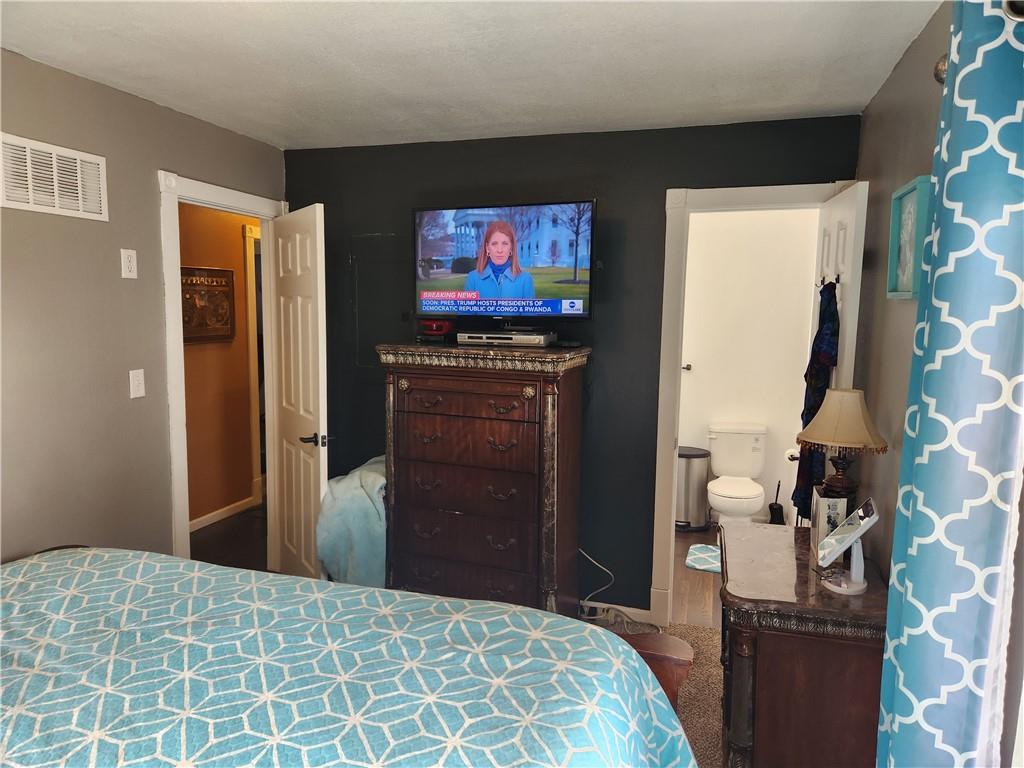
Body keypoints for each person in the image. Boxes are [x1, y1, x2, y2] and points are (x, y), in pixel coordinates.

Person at [464, 221, 535, 299]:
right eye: (494, 244)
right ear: (487, 248)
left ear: (511, 247)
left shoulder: (525, 280)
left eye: (505, 244)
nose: (500, 250)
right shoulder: (473, 278)